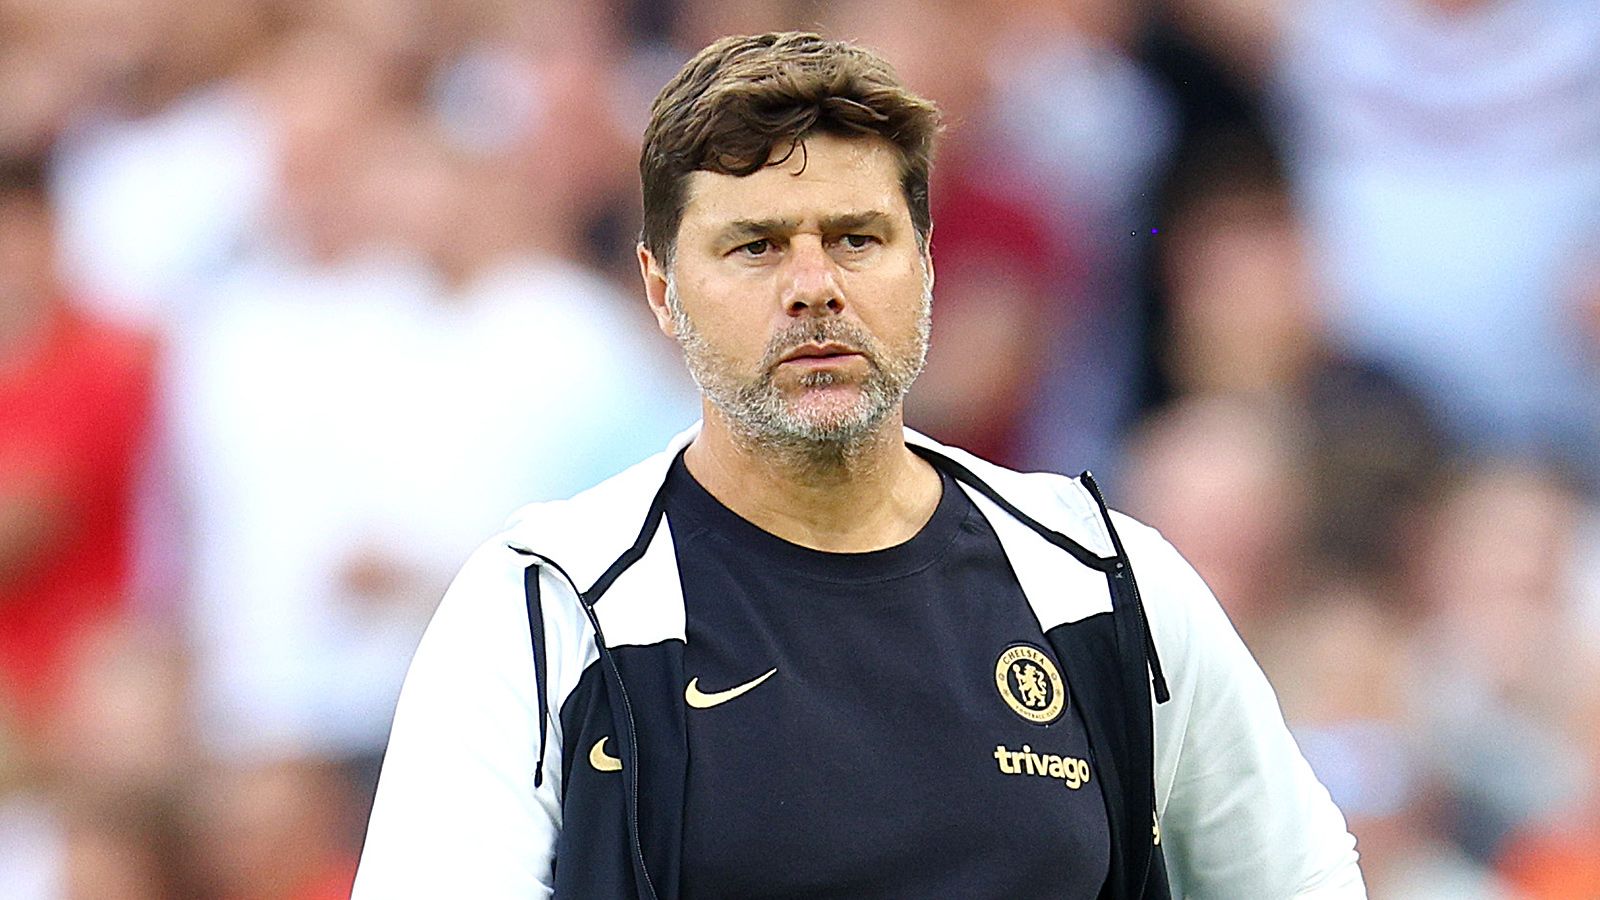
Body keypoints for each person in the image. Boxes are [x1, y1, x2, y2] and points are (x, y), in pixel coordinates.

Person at [353, 32, 1366, 898]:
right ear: (661, 290)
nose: (814, 286)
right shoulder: (549, 611)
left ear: (925, 265)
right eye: (755, 246)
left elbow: (1302, 878)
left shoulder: (1102, 584)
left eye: (856, 238)